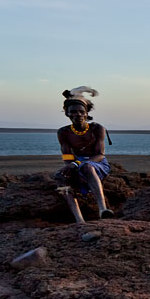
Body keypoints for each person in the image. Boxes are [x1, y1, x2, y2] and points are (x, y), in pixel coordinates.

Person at [55, 86, 114, 223]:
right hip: (76, 164)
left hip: (96, 163)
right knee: (59, 177)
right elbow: (67, 155)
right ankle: (79, 219)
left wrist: (77, 163)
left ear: (86, 113)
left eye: (81, 112)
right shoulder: (63, 132)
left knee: (87, 167)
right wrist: (69, 166)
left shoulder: (97, 129)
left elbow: (99, 154)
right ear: (67, 114)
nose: (78, 115)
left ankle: (103, 209)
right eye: (73, 112)